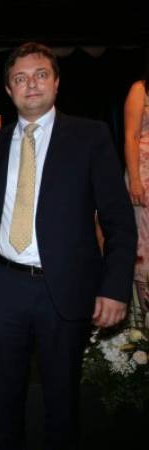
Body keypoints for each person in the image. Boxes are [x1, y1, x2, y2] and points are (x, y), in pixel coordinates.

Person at [0, 42, 137, 449]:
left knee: (62, 405)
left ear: (57, 83)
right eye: (20, 78)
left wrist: (114, 286)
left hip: (63, 291)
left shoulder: (90, 136)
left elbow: (119, 221)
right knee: (3, 403)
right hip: (4, 289)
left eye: (40, 75)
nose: (31, 84)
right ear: (9, 89)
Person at [124, 69, 149, 323]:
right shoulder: (141, 88)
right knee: (145, 250)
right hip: (144, 176)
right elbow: (131, 136)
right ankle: (143, 325)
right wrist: (135, 180)